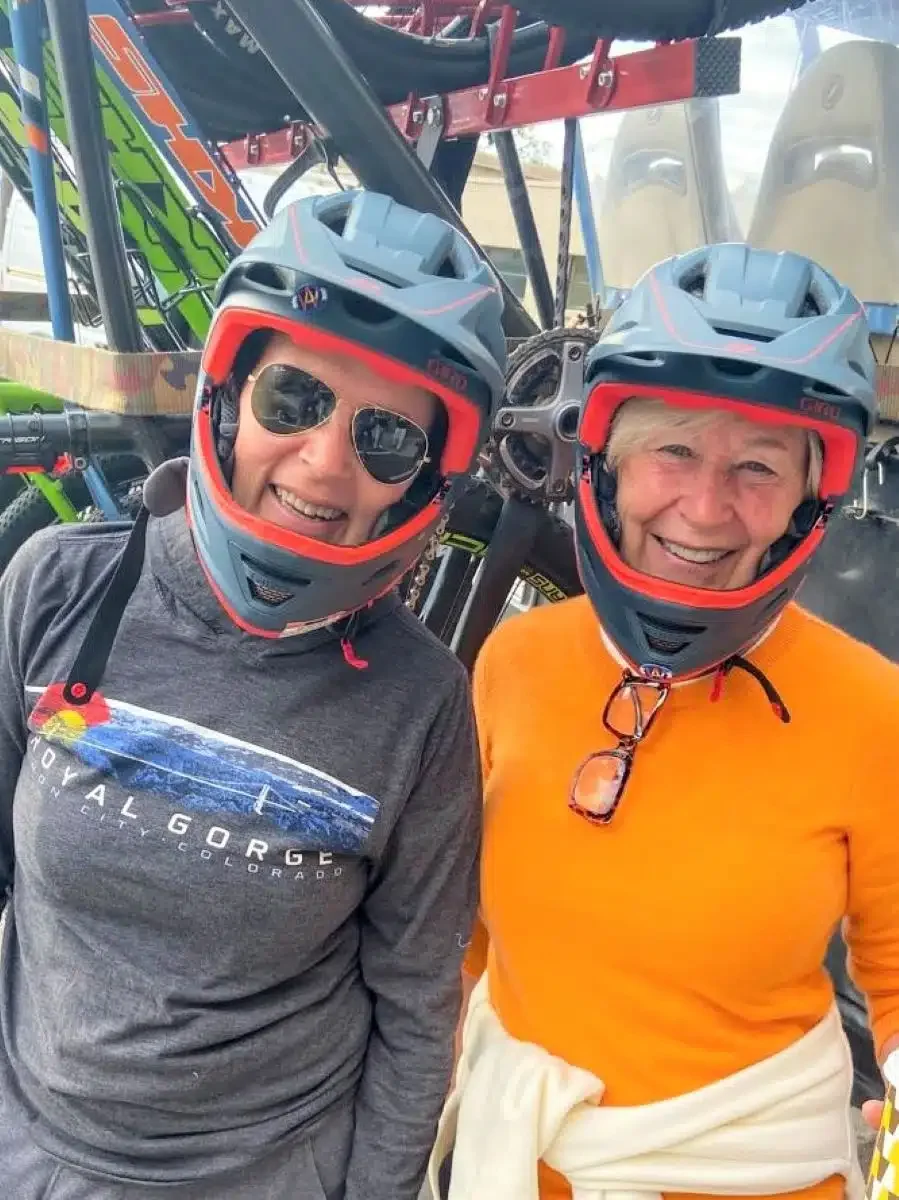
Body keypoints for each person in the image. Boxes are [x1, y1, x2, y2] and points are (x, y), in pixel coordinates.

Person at [0, 189, 506, 1200]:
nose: (323, 462)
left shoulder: (420, 700)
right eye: (294, 401)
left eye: (387, 440)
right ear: (228, 396)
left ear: (422, 482)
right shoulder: (61, 585)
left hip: (270, 1171)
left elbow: (414, 1007)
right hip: (35, 1148)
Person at [430, 243, 899, 1200]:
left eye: (758, 467)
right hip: (517, 1165)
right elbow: (464, 938)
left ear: (811, 499)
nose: (705, 507)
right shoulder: (513, 663)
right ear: (604, 464)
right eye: (672, 450)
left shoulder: (868, 706)